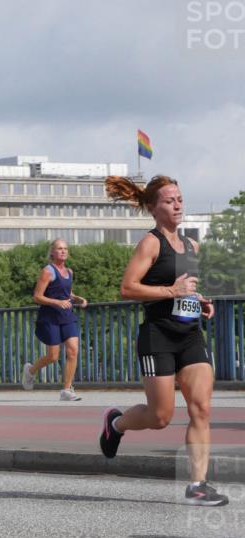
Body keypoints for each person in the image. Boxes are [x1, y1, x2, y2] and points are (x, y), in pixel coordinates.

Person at [99, 175, 228, 506]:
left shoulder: (192, 246)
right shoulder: (151, 243)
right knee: (160, 417)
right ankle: (116, 423)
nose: (177, 205)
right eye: (170, 201)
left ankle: (197, 484)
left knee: (201, 408)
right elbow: (128, 288)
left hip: (190, 335)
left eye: (180, 199)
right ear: (154, 208)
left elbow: (186, 288)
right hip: (158, 336)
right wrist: (172, 291)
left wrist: (199, 300)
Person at [21, 239, 88, 400]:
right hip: (50, 317)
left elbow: (66, 293)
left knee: (73, 350)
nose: (63, 251)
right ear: (52, 252)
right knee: (53, 356)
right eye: (59, 248)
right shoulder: (48, 271)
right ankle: (30, 370)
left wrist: (78, 299)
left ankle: (66, 390)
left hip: (67, 316)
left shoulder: (69, 272)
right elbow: (37, 296)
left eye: (65, 248)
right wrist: (57, 302)